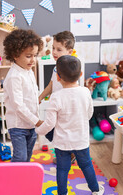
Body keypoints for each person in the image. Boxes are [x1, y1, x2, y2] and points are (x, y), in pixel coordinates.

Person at [35, 55, 104, 195]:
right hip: (81, 140)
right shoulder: (86, 92)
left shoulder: (56, 97)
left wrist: (39, 130)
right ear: (80, 75)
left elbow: (50, 123)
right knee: (86, 166)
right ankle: (96, 191)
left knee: (62, 169)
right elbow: (89, 114)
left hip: (61, 143)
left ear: (58, 77)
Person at [3, 29, 43, 162]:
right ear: (15, 55)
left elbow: (29, 93)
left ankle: (23, 180)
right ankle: (13, 180)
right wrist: (37, 121)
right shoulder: (14, 76)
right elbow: (18, 105)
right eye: (28, 56)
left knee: (27, 156)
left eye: (35, 55)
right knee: (20, 157)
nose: (33, 60)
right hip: (18, 126)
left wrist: (36, 101)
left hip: (31, 124)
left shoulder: (28, 70)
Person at [38, 31, 77, 164]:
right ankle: (68, 154)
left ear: (70, 51)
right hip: (56, 107)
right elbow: (51, 84)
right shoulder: (57, 67)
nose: (54, 52)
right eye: (53, 48)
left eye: (59, 49)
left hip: (66, 109)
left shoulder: (71, 69)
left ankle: (68, 155)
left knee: (61, 134)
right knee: (53, 133)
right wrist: (40, 97)